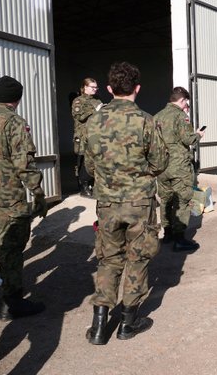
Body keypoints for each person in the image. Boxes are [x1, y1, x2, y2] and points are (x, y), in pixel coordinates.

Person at [84, 62, 169, 345]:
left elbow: (89, 164)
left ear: (109, 89)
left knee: (108, 260)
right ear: (138, 88)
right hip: (139, 203)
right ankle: (127, 323)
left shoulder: (94, 121)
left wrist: (107, 179)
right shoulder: (145, 120)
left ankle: (98, 326)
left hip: (107, 203)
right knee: (137, 258)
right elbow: (160, 163)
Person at [0, 76, 48, 318]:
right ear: (17, 99)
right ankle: (12, 302)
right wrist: (38, 193)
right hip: (7, 199)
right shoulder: (14, 122)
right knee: (10, 249)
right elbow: (24, 163)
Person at [154, 87, 204, 252]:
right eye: (186, 103)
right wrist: (198, 135)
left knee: (166, 200)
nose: (186, 106)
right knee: (183, 200)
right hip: (178, 166)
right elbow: (187, 139)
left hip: (162, 167)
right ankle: (179, 238)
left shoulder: (157, 116)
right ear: (182, 100)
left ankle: (167, 233)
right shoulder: (181, 116)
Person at [71, 78, 102, 197]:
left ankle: (93, 184)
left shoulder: (97, 101)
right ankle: (83, 186)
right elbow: (80, 117)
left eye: (96, 87)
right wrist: (96, 111)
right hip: (83, 135)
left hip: (96, 135)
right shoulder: (78, 101)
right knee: (84, 161)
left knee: (95, 160)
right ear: (84, 87)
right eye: (92, 87)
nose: (95, 89)